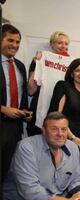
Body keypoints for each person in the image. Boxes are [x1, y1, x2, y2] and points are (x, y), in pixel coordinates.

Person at [0, 24, 31, 179]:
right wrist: (3, 109)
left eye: (18, 42)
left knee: (6, 171)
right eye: (10, 40)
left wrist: (25, 111)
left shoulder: (20, 66)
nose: (14, 45)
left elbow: (22, 95)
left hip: (14, 128)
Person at [27, 31, 70, 136]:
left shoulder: (72, 62)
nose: (63, 46)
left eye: (66, 43)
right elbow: (31, 90)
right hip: (40, 106)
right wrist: (37, 62)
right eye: (59, 43)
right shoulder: (43, 58)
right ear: (51, 43)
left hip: (61, 107)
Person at [49, 58, 80, 150]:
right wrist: (72, 137)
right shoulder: (63, 86)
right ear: (71, 74)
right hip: (63, 138)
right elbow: (57, 116)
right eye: (77, 70)